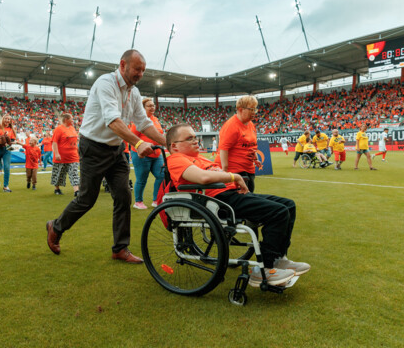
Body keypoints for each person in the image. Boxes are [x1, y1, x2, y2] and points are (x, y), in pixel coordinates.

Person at [45, 49, 166, 263]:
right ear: (123, 65)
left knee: (123, 196)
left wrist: (169, 143)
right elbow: (113, 121)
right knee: (86, 199)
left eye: (143, 71)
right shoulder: (105, 83)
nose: (140, 74)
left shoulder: (134, 92)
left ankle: (120, 248)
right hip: (93, 147)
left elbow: (144, 123)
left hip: (116, 149)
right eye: (137, 69)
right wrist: (137, 143)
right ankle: (55, 226)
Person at [166, 123, 310, 286]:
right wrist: (235, 177)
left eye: (195, 137)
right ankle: (264, 270)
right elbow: (203, 178)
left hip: (229, 195)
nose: (196, 141)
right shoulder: (176, 159)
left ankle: (279, 258)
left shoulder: (199, 158)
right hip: (219, 200)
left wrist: (230, 177)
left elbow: (214, 174)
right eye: (189, 138)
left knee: (288, 205)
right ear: (174, 146)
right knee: (278, 212)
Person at [215, 95, 262, 192]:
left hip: (248, 169)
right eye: (251, 110)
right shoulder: (231, 126)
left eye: (255, 110)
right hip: (235, 171)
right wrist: (224, 171)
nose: (254, 113)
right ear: (240, 109)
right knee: (243, 202)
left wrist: (256, 159)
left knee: (250, 198)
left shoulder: (251, 124)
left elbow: (251, 146)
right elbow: (223, 149)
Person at [130, 98, 164, 209]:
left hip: (157, 154)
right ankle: (138, 202)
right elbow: (131, 136)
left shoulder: (155, 119)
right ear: (143, 108)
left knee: (162, 176)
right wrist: (141, 146)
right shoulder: (139, 120)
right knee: (142, 178)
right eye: (149, 105)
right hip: (142, 154)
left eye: (153, 105)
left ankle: (156, 200)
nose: (152, 107)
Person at [51, 113, 80, 196]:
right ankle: (57, 189)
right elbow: (54, 142)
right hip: (61, 157)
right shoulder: (58, 129)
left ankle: (76, 191)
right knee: (59, 173)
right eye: (71, 119)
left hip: (73, 156)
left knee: (74, 173)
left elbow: (75, 141)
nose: (73, 120)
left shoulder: (72, 128)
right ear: (66, 119)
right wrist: (56, 154)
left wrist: (78, 152)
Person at [0, 115, 17, 192]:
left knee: (7, 167)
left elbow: (13, 140)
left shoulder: (12, 130)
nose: (7, 120)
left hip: (7, 150)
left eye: (9, 119)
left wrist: (10, 142)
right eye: (5, 118)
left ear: (10, 121)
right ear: (3, 119)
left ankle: (6, 186)